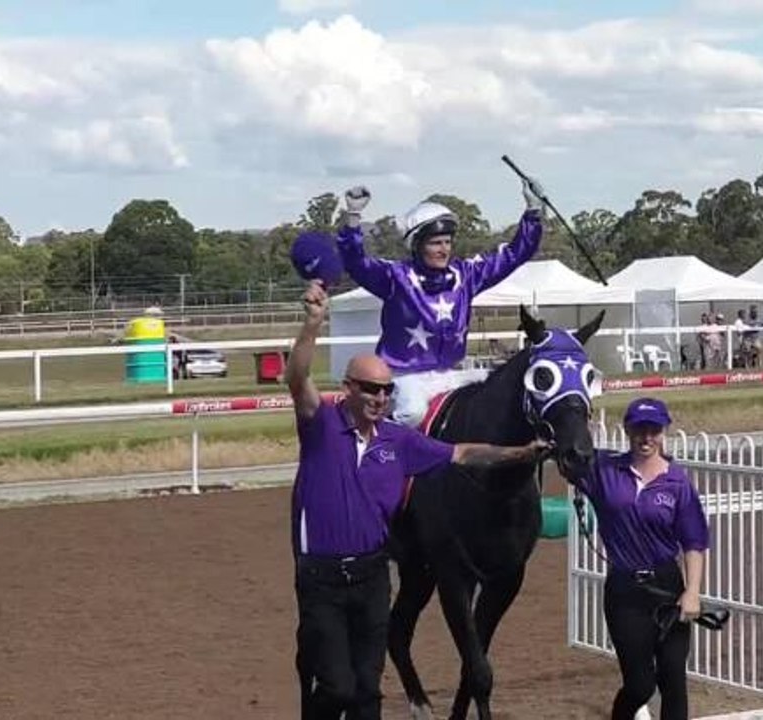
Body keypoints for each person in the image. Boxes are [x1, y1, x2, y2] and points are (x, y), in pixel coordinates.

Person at [286, 280, 549, 720]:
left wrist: (522, 453)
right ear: (348, 388)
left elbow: (463, 452)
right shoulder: (321, 424)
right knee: (338, 687)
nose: (380, 398)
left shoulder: (399, 440)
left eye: (386, 391)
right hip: (323, 578)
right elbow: (297, 378)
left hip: (372, 576)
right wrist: (312, 325)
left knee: (368, 692)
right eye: (370, 389)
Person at [335, 177, 547, 426]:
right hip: (405, 376)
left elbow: (514, 255)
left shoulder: (467, 275)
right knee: (413, 413)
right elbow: (355, 261)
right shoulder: (395, 277)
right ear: (416, 245)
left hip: (450, 373)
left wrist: (533, 212)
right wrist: (352, 217)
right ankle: (374, 451)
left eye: (447, 242)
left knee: (502, 388)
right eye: (435, 242)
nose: (444, 249)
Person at [573, 397, 710, 720]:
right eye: (639, 429)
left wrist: (692, 591)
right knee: (640, 685)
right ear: (627, 430)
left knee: (674, 679)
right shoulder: (604, 470)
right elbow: (567, 455)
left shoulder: (677, 483)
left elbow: (694, 541)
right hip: (625, 591)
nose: (646, 437)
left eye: (653, 430)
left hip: (667, 587)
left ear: (663, 431)